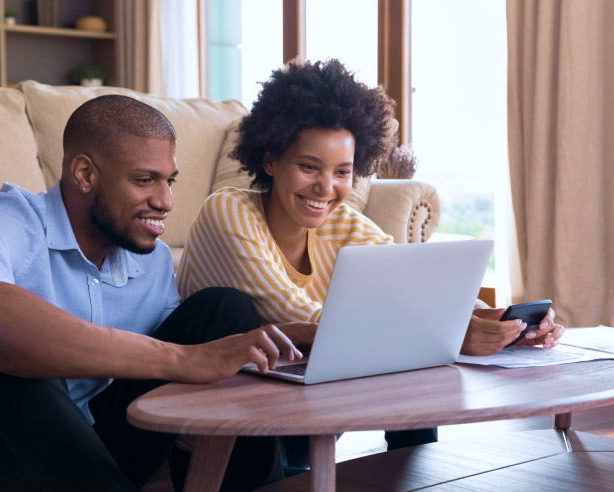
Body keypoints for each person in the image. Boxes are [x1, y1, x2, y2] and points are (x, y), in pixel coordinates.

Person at [0, 95, 315, 491]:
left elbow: (186, 361)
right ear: (85, 174)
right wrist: (186, 358)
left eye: (169, 181)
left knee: (224, 310)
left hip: (86, 455)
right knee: (1, 357)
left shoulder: (147, 255)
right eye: (144, 180)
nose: (165, 201)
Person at [177, 58, 565, 455]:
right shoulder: (227, 212)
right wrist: (446, 332)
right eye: (309, 167)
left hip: (298, 397)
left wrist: (504, 321)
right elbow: (298, 315)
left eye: (342, 172)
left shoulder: (341, 220)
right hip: (223, 426)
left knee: (409, 347)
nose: (325, 188)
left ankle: (415, 473)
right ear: (271, 159)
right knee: (402, 340)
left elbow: (414, 281)